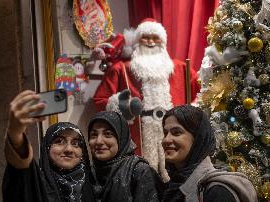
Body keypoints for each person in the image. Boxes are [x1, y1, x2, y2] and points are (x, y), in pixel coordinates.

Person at [92, 18, 200, 181]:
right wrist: (123, 105)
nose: (150, 41)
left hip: (175, 129)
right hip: (138, 134)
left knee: (177, 176)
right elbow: (100, 100)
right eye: (146, 37)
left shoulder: (182, 69)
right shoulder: (122, 69)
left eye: (155, 37)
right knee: (143, 178)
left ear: (163, 41)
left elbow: (201, 96)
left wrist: (190, 115)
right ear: (137, 40)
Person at [2, 90, 94, 202]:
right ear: (47, 147)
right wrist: (15, 132)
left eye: (76, 144)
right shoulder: (37, 185)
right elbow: (20, 173)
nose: (69, 149)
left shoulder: (95, 185)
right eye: (60, 141)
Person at [161, 105, 258, 202]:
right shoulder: (172, 186)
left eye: (176, 132)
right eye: (165, 133)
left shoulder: (218, 191)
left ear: (198, 139)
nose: (166, 140)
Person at [87, 111, 164, 202]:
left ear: (121, 138)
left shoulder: (140, 171)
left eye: (108, 134)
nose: (98, 141)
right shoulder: (88, 173)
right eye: (94, 135)